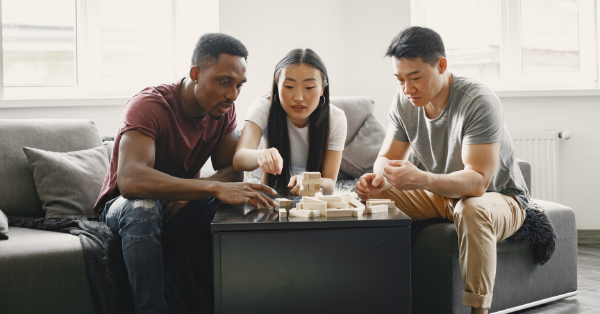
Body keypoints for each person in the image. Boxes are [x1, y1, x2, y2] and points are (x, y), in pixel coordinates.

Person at [92, 33, 278, 314]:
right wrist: (206, 188)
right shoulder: (150, 105)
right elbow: (130, 180)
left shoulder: (223, 109)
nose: (233, 95)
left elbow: (231, 170)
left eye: (239, 85)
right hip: (124, 206)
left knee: (247, 203)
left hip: (182, 203)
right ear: (196, 74)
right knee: (144, 209)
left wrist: (195, 193)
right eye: (224, 81)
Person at [355, 26, 530, 314]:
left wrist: (420, 178)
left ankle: (479, 310)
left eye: (415, 78)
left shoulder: (478, 102)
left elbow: (477, 183)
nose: (407, 89)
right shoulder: (404, 102)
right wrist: (379, 179)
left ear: (442, 65)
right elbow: (386, 156)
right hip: (443, 194)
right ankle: (379, 296)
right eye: (400, 79)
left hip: (500, 198)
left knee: (471, 209)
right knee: (370, 200)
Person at [233, 48, 347, 197]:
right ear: (277, 86)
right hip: (264, 191)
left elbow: (330, 185)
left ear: (322, 90)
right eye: (289, 86)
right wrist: (260, 155)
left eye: (309, 87)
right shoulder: (263, 107)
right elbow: (239, 158)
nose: (298, 97)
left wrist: (311, 182)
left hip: (307, 198)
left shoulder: (336, 118)